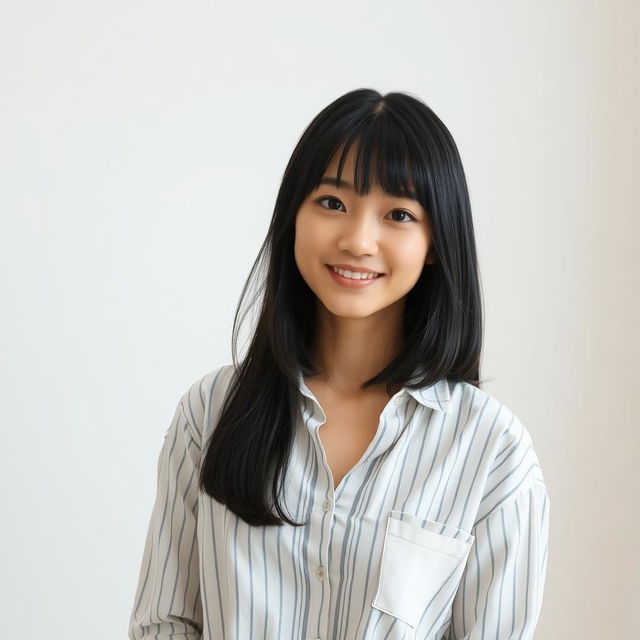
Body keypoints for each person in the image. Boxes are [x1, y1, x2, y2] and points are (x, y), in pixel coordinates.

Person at [128, 88, 550, 640]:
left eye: (398, 214)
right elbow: (166, 624)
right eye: (332, 203)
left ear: (436, 242)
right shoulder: (210, 413)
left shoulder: (492, 452)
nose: (358, 239)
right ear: (293, 217)